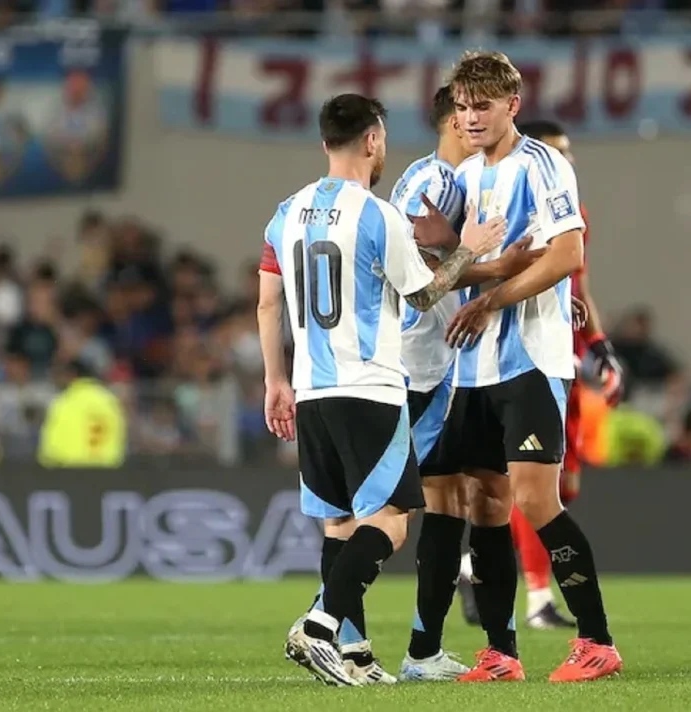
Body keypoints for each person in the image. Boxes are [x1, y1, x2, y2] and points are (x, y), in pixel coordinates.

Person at [257, 93, 504, 687]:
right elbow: (424, 295)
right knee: (391, 523)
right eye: (383, 139)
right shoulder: (377, 215)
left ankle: (356, 653)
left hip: (311, 389)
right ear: (372, 141)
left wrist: (275, 381)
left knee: (339, 524)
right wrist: (470, 246)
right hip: (368, 387)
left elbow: (268, 301)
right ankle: (319, 627)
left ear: (325, 143)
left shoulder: (285, 213)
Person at [431, 51, 623, 682]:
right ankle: (500, 653)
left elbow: (567, 257)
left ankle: (596, 641)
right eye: (462, 107)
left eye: (482, 105)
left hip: (531, 363)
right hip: (474, 367)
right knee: (485, 503)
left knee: (537, 501)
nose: (470, 118)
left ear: (512, 105)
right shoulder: (470, 174)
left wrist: (491, 298)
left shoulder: (544, 166)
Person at [391, 86, 547, 682]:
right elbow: (417, 269)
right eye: (471, 111)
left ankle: (495, 649)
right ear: (456, 118)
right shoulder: (431, 182)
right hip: (427, 366)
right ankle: (399, 643)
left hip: (474, 367)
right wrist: (497, 266)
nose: (479, 121)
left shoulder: (490, 179)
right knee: (433, 505)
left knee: (486, 501)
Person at [470, 119, 621, 630]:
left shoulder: (572, 213)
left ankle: (482, 573)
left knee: (559, 487)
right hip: (517, 358)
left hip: (564, 356)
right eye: (556, 151)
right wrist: (494, 297)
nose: (565, 161)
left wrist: (599, 342)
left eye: (568, 152)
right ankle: (539, 603)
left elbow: (578, 280)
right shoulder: (510, 202)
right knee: (528, 490)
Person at [37, 359, 126, 468]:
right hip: (107, 474)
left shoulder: (65, 402)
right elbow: (119, 439)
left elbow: (50, 448)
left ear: (71, 375)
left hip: (72, 474)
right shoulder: (109, 401)